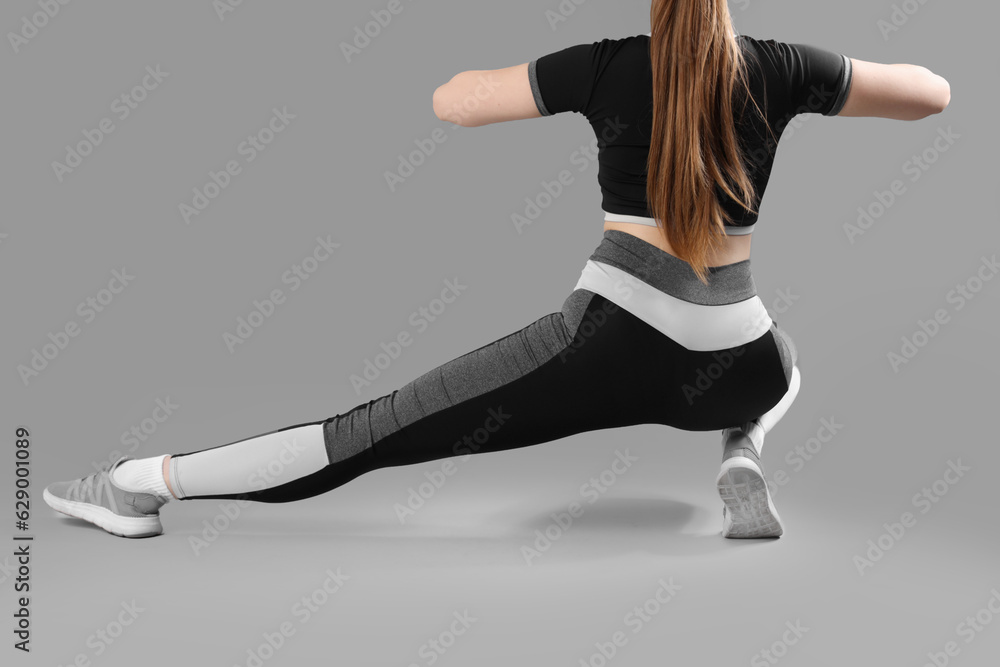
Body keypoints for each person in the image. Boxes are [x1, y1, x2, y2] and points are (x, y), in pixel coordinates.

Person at [43, 1, 950, 539]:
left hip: (606, 344)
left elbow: (457, 103)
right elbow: (930, 93)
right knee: (787, 364)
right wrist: (822, 73)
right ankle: (742, 451)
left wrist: (525, 84)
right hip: (733, 360)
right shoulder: (784, 68)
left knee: (369, 431)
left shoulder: (603, 67)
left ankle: (135, 483)